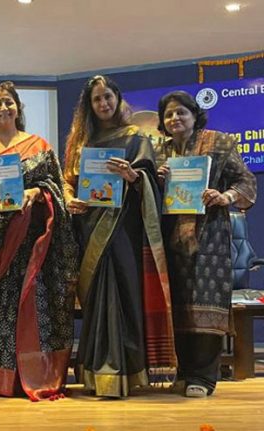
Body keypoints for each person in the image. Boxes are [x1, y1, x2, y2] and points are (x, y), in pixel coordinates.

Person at [0, 81, 78, 401]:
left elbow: (56, 188)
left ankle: (39, 373)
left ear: (18, 108)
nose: (4, 108)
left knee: (32, 304)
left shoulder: (37, 145)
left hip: (33, 240)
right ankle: (2, 380)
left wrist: (36, 192)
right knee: (0, 306)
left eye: (9, 103)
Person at [63, 75, 176, 398]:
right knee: (96, 299)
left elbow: (150, 182)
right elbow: (68, 180)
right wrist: (70, 197)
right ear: (89, 105)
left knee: (123, 294)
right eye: (97, 99)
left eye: (107, 97)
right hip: (89, 227)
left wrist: (132, 175)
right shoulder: (82, 143)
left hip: (123, 227)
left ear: (117, 99)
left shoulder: (135, 137)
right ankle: (95, 372)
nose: (103, 104)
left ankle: (123, 370)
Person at [154, 91, 256, 397]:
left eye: (181, 113)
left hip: (209, 234)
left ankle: (204, 377)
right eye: (169, 115)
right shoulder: (161, 151)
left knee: (206, 304)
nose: (175, 119)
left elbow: (246, 182)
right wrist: (157, 180)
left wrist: (224, 196)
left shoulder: (220, 143)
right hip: (170, 236)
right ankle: (184, 372)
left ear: (194, 114)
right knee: (179, 306)